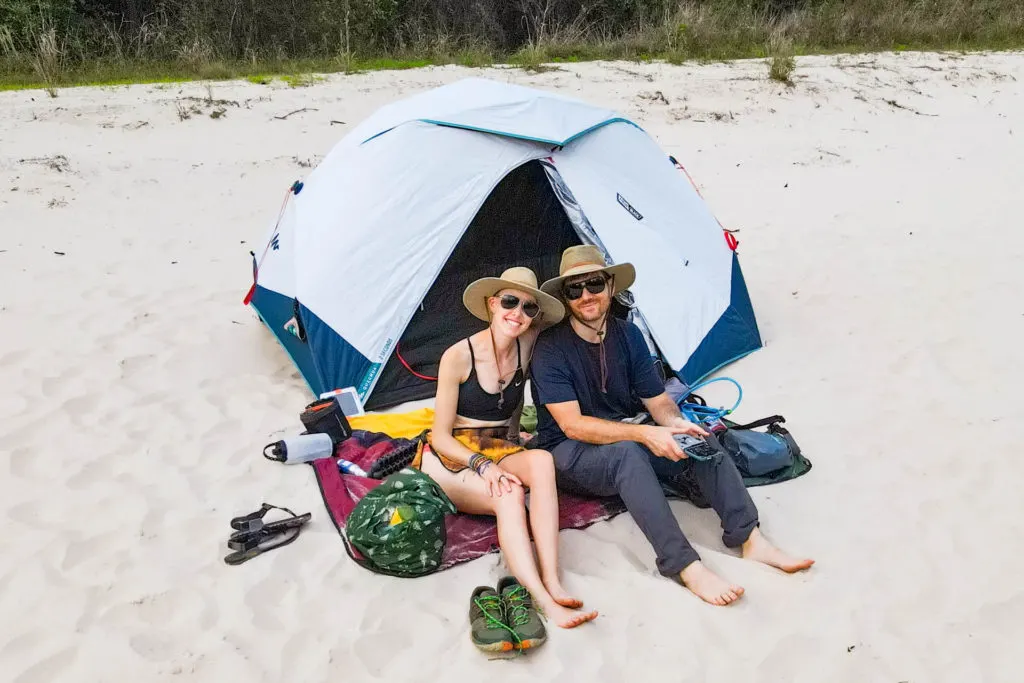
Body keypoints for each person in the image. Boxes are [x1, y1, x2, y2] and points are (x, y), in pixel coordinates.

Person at [529, 246, 814, 606]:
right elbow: (572, 426)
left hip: (627, 433)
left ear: (610, 286)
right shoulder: (551, 349)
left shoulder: (628, 336)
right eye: (575, 289)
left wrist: (679, 426)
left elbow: (659, 403)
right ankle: (684, 564)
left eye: (595, 284)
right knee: (628, 455)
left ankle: (750, 538)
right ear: (565, 297)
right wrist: (645, 432)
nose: (587, 295)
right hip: (570, 453)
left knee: (700, 439)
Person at [414, 266, 599, 629]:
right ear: (492, 304)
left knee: (543, 462)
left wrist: (515, 440)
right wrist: (483, 465)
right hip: (452, 455)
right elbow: (440, 436)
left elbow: (573, 321)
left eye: (529, 308)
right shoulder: (459, 356)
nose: (518, 314)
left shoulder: (527, 344)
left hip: (499, 445)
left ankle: (553, 578)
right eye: (510, 302)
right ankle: (542, 599)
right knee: (509, 494)